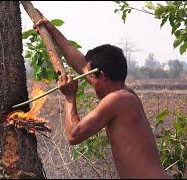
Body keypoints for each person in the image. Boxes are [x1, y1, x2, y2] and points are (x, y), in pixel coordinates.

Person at [34, 12, 170, 179]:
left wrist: (70, 97)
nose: (87, 78)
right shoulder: (124, 93)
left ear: (103, 76)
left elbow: (74, 135)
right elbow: (82, 64)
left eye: (91, 77)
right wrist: (51, 30)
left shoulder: (117, 100)